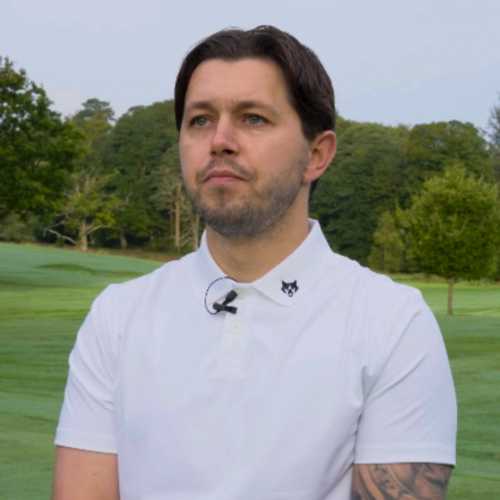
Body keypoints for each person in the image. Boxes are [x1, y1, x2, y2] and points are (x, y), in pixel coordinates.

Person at [52, 25, 457, 500]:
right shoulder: (118, 317)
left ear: (317, 155)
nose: (220, 140)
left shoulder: (392, 324)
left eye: (254, 119)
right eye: (200, 120)